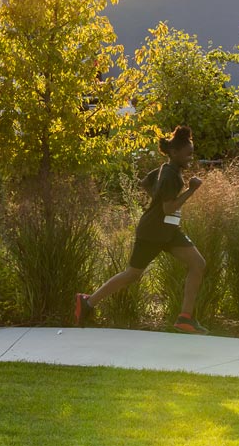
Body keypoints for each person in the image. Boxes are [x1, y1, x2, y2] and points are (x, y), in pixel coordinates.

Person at [74, 125, 209, 334]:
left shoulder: (165, 169)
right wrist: (191, 190)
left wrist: (157, 196)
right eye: (188, 153)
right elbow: (169, 207)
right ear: (174, 153)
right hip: (153, 232)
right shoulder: (170, 175)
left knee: (198, 264)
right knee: (132, 274)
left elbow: (145, 182)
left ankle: (185, 318)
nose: (191, 157)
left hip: (169, 231)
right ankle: (88, 302)